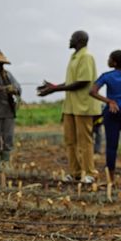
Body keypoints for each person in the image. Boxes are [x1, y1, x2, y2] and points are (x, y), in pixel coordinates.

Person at [37, 31, 102, 184]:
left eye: (72, 37)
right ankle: (76, 173)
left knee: (85, 140)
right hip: (71, 106)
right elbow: (71, 82)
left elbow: (84, 82)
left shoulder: (86, 57)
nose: (69, 40)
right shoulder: (74, 57)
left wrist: (54, 90)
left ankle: (91, 173)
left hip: (83, 105)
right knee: (70, 140)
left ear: (79, 40)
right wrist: (53, 87)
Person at [89, 50, 121, 181]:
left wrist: (109, 101)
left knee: (111, 146)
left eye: (109, 58)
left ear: (114, 62)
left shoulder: (107, 76)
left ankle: (111, 177)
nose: (107, 60)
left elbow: (92, 91)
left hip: (112, 112)